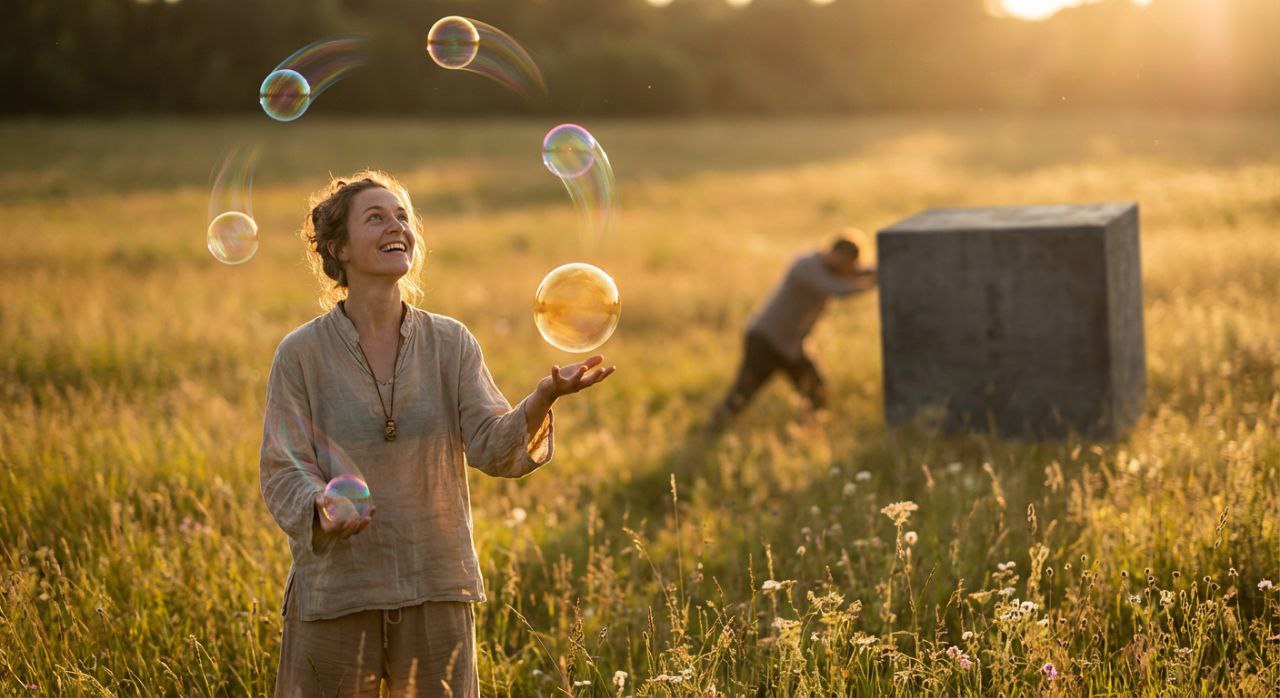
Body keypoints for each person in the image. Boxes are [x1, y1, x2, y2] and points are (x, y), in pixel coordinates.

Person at [259, 170, 614, 698]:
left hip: (436, 582)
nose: (396, 225)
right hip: (337, 590)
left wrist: (544, 396)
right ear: (339, 248)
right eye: (376, 217)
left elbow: (494, 447)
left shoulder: (450, 342)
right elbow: (282, 466)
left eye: (402, 215)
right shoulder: (301, 353)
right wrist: (322, 509)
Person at [710, 235, 876, 431]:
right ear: (834, 253)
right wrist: (874, 282)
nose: (847, 269)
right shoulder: (807, 265)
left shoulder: (833, 269)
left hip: (790, 345)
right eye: (845, 263)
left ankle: (811, 430)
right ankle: (712, 430)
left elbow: (857, 272)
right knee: (744, 391)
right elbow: (838, 289)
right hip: (765, 339)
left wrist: (882, 269)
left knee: (816, 389)